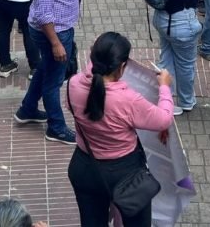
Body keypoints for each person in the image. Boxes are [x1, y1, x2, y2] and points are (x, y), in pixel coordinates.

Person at [66, 32, 174, 226]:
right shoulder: (128, 100)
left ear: (93, 57)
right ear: (122, 67)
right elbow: (163, 119)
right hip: (125, 173)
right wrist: (165, 87)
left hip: (85, 168)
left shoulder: (73, 85)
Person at [14, 0, 79, 145]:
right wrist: (56, 43)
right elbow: (43, 12)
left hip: (59, 27)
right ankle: (56, 128)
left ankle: (27, 109)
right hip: (54, 31)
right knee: (53, 81)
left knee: (45, 69)